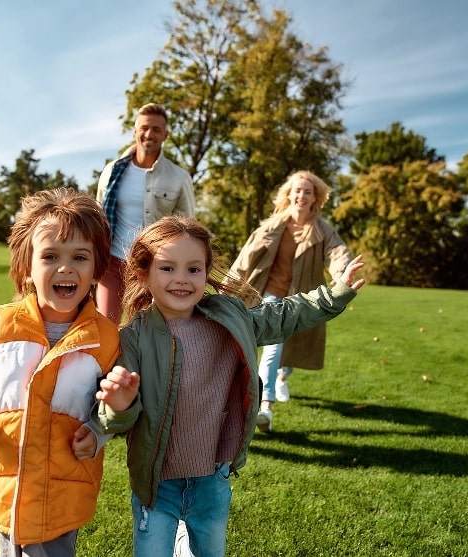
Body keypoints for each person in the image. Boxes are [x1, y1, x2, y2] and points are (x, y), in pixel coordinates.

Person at [91, 215, 365, 557]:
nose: (182, 279)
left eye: (193, 269)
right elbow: (116, 420)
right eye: (167, 268)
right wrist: (119, 403)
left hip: (212, 480)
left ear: (206, 273)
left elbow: (284, 315)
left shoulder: (230, 318)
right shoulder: (133, 338)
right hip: (157, 486)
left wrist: (335, 293)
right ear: (143, 273)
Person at [0, 187, 120, 556]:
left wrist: (98, 432)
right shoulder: (1, 325)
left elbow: (114, 412)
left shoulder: (106, 339)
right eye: (50, 256)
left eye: (79, 257)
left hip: (63, 487)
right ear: (27, 267)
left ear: (96, 269)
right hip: (5, 483)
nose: (66, 268)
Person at [231, 170, 352, 433]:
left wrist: (342, 273)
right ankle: (266, 406)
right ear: (289, 194)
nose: (301, 195)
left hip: (300, 298)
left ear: (315, 197)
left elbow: (338, 252)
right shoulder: (271, 226)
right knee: (273, 346)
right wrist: (228, 285)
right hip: (268, 294)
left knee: (290, 348)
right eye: (297, 190)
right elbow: (245, 258)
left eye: (307, 191)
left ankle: (283, 375)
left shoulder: (323, 230)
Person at [96, 102, 195, 324]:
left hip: (152, 266)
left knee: (143, 333)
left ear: (165, 135)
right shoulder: (112, 171)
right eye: (144, 128)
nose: (149, 134)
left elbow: (187, 228)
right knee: (105, 327)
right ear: (135, 131)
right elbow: (98, 217)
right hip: (112, 262)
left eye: (156, 129)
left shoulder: (179, 178)